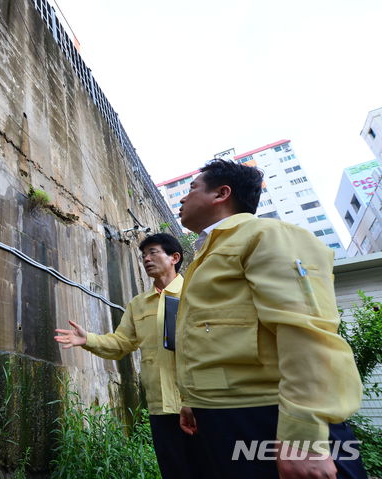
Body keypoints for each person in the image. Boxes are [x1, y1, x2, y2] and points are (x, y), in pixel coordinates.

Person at [175, 158, 366, 479]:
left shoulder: (266, 235)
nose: (182, 199)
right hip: (224, 415)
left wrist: (303, 435)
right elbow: (214, 336)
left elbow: (306, 330)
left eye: (192, 189)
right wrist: (193, 399)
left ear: (222, 193)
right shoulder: (206, 254)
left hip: (270, 416)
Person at [54, 233, 211, 478]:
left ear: (174, 257)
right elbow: (121, 343)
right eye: (143, 255)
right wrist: (88, 339)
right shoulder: (138, 304)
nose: (146, 259)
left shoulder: (196, 292)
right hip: (160, 407)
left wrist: (193, 398)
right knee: (175, 471)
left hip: (199, 403)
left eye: (153, 252)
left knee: (210, 468)